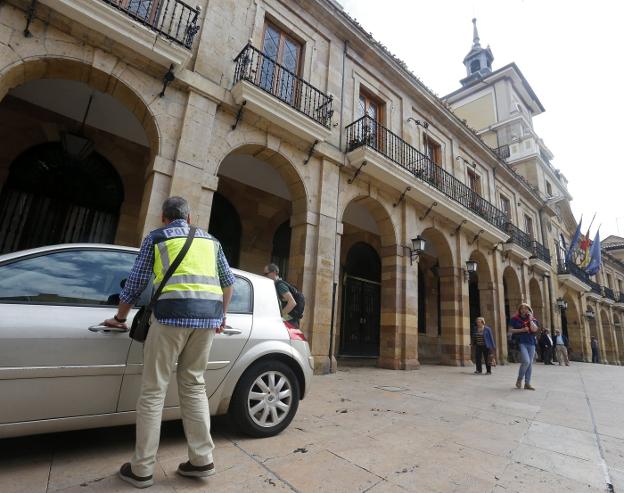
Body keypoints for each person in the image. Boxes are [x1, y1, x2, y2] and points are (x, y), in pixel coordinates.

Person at [103, 196, 235, 489]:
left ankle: (141, 469)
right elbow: (228, 283)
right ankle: (202, 460)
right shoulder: (211, 241)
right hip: (206, 321)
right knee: (194, 385)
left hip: (170, 319)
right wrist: (221, 317)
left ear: (164, 218)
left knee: (153, 390)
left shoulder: (157, 237)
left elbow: (136, 284)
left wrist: (121, 318)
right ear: (189, 218)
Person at [510, 303, 539, 390]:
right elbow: (510, 330)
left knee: (530, 363)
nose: (524, 310)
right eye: (522, 308)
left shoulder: (533, 319)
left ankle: (527, 383)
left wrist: (530, 319)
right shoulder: (515, 319)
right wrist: (521, 330)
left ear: (529, 310)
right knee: (526, 362)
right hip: (521, 342)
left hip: (531, 343)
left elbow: (534, 329)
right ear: (519, 310)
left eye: (526, 308)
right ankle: (520, 379)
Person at [263, 263, 299, 328]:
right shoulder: (276, 285)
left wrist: (278, 317)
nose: (264, 276)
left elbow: (292, 303)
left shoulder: (280, 285)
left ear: (274, 273)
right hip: (289, 322)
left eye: (266, 274)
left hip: (290, 323)